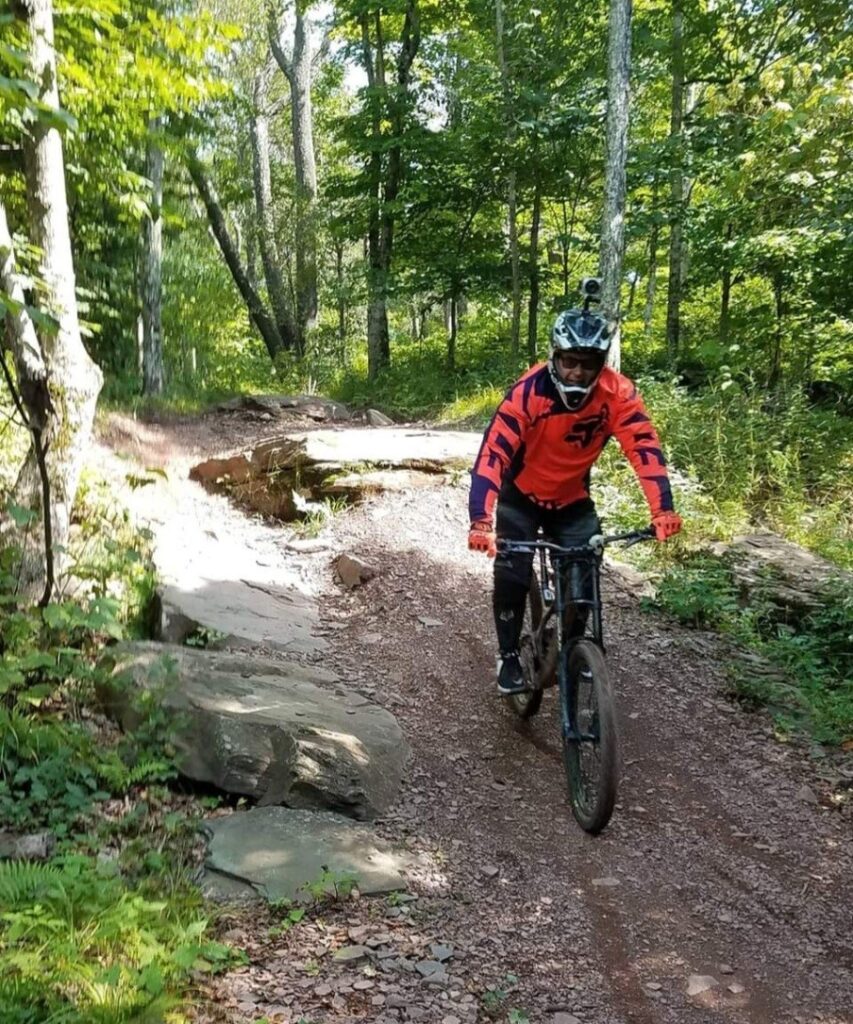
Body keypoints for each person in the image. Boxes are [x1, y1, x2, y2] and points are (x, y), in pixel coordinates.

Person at [468, 297, 682, 696]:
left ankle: (575, 650)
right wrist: (481, 519)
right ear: (555, 356)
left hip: (571, 500)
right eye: (569, 360)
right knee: (512, 572)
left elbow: (645, 449)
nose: (577, 371)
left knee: (584, 580)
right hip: (521, 496)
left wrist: (662, 509)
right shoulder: (528, 391)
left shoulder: (618, 395)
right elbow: (492, 454)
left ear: (601, 363)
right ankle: (509, 655)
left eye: (588, 363)